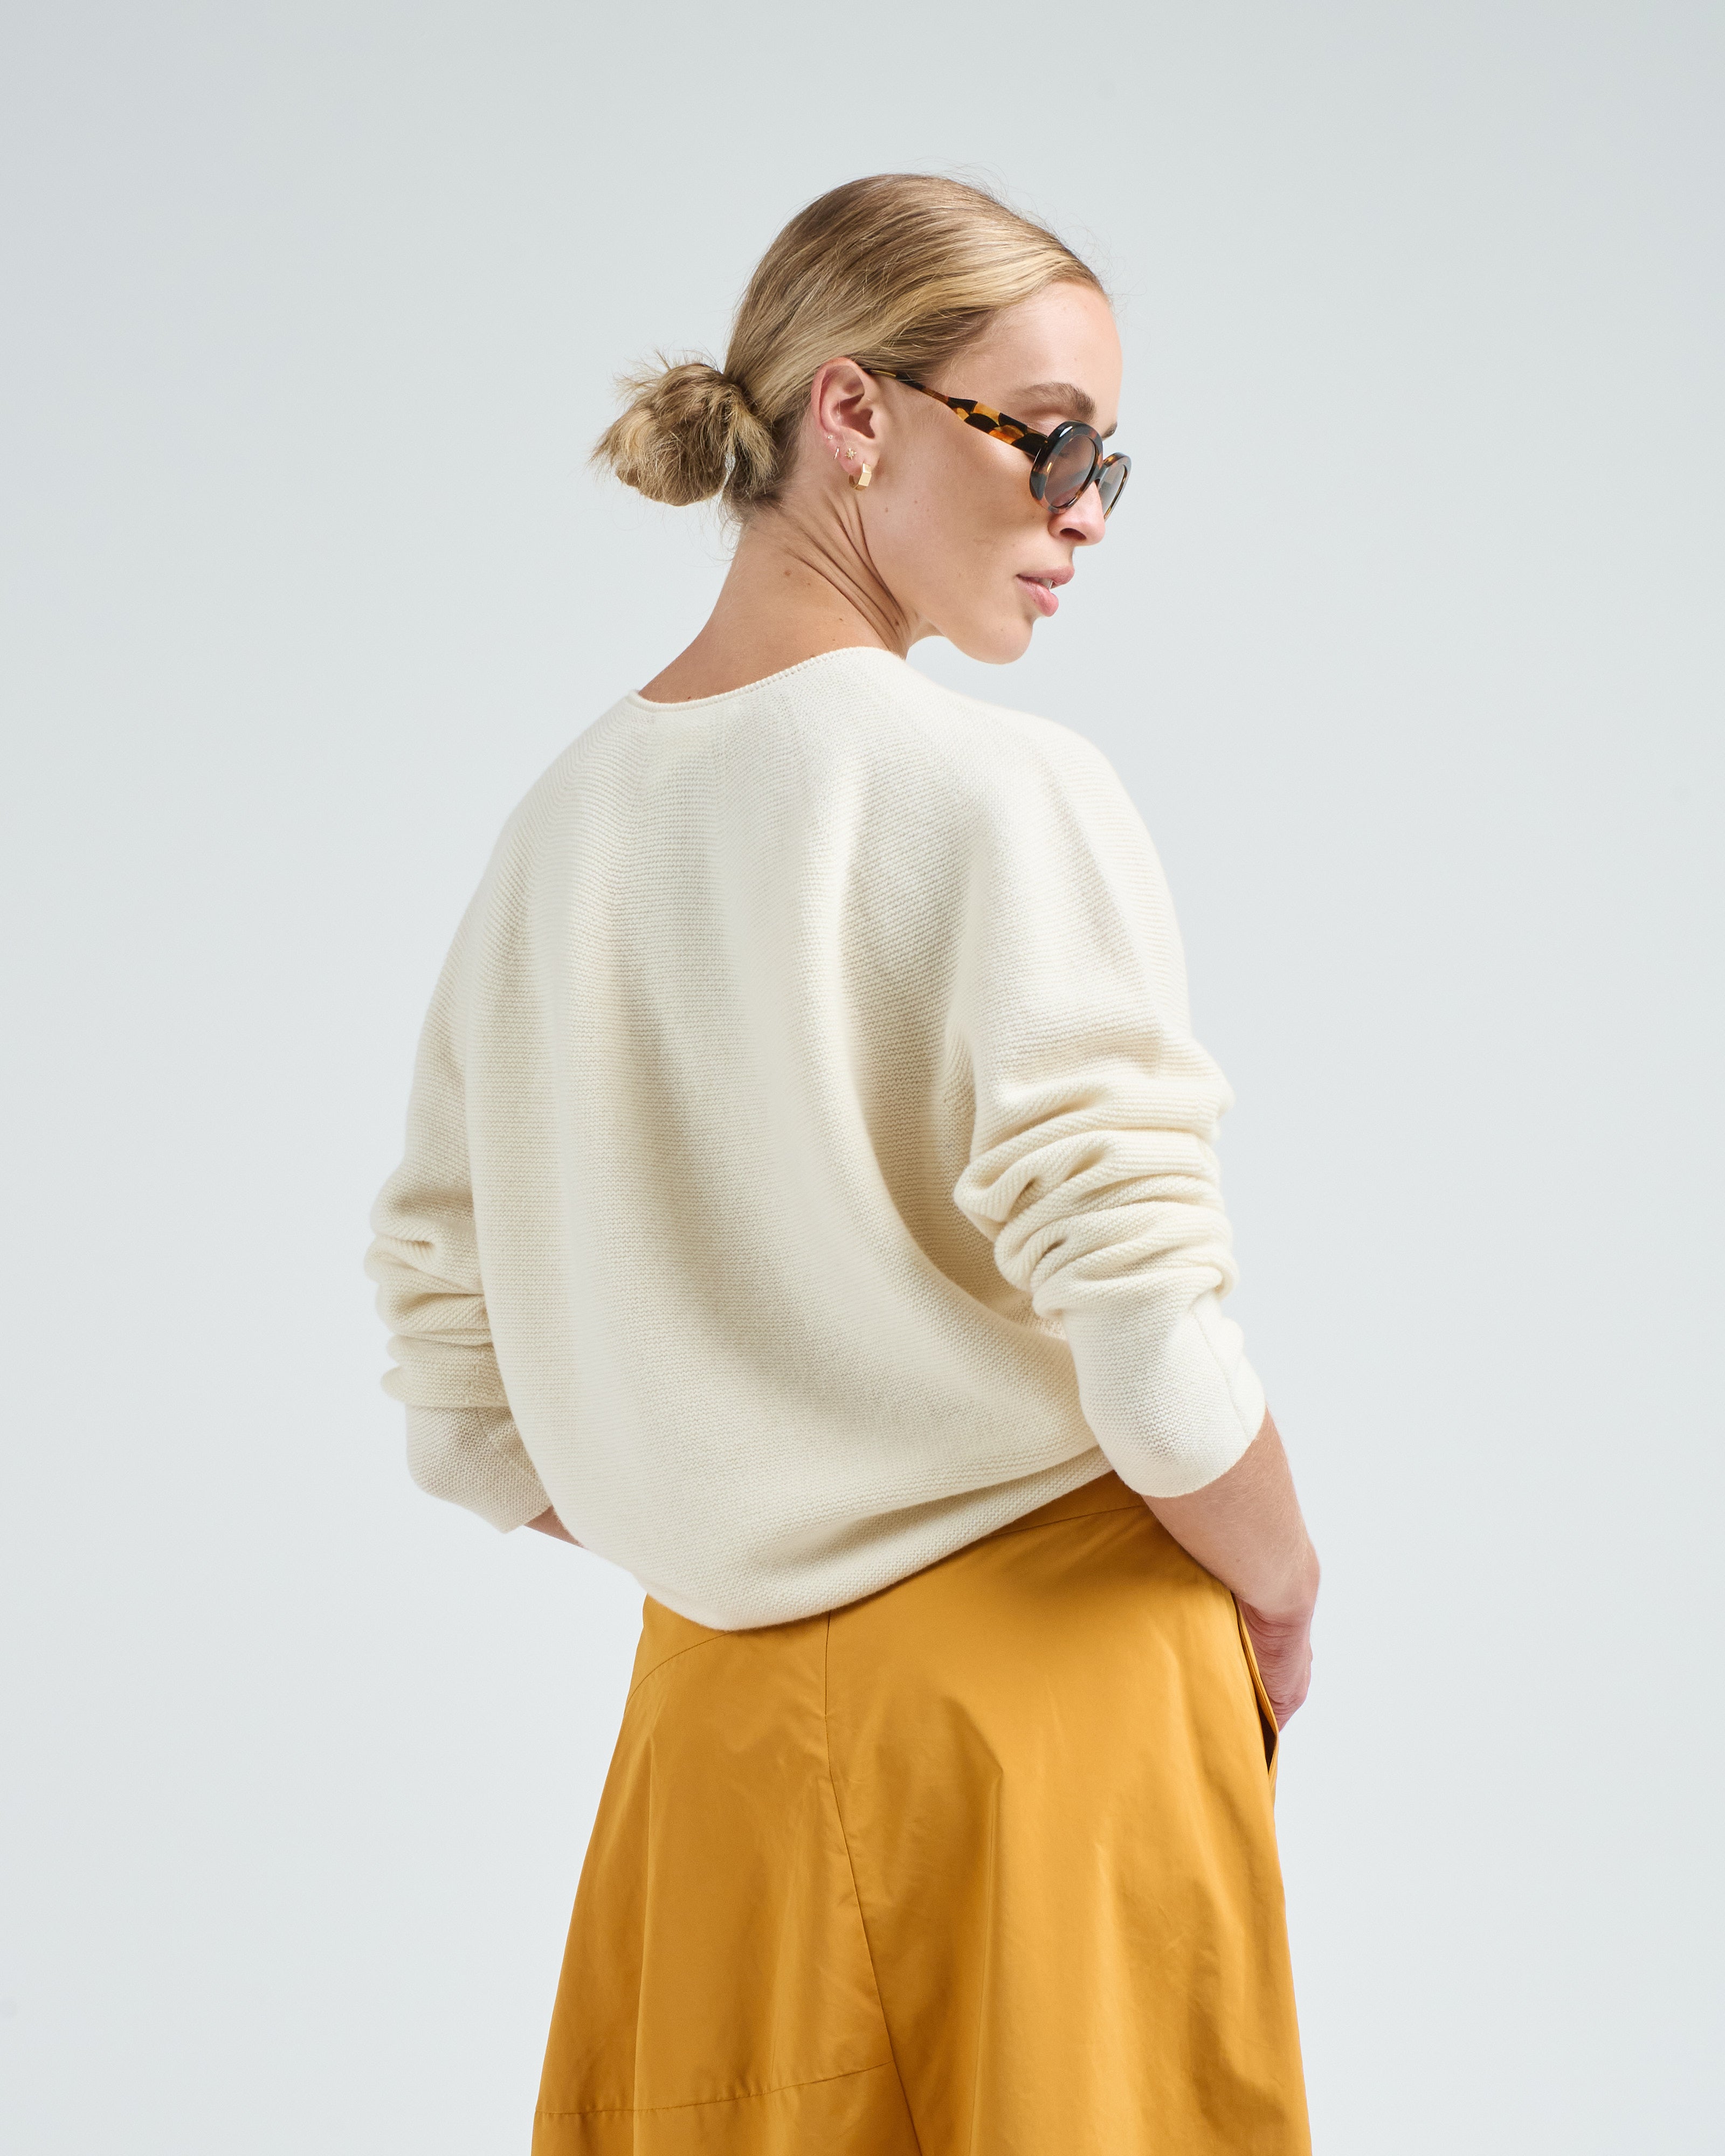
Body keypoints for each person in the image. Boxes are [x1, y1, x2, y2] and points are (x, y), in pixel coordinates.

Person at [366, 171, 1319, 2154]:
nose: (1085, 507)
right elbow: (1149, 1338)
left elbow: (459, 1405)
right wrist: (1286, 1584)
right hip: (1045, 1718)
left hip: (710, 1751)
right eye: (1047, 435)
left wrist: (749, 1510)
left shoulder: (555, 838)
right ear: (855, 412)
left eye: (1108, 461)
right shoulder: (999, 791)